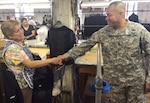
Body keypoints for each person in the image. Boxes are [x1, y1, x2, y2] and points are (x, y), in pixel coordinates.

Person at [58, 1, 150, 103]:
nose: (106, 18)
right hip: (116, 83)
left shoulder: (138, 31)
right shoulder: (104, 32)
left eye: (109, 15)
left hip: (135, 82)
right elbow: (84, 46)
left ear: (121, 13)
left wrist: (149, 80)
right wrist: (64, 57)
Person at [1, 20, 62, 103]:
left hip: (29, 80)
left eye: (21, 29)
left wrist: (33, 54)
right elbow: (30, 64)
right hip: (22, 85)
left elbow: (24, 55)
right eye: (18, 31)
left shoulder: (19, 43)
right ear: (10, 36)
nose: (22, 31)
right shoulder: (12, 49)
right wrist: (51, 60)